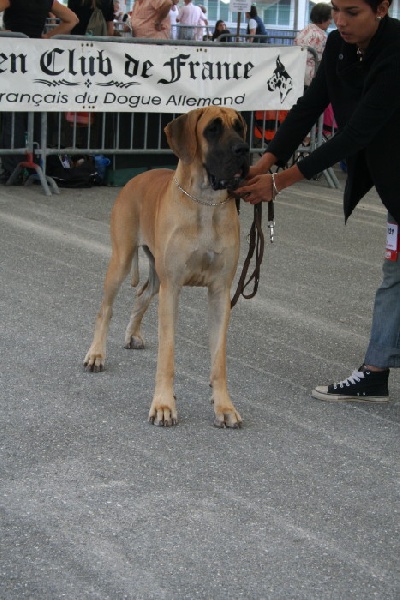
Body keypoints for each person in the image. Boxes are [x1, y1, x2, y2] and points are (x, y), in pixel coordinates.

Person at [236, 0, 400, 403]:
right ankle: (375, 373)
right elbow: (310, 106)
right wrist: (269, 160)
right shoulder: (337, 44)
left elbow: (355, 132)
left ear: (382, 8)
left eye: (352, 12)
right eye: (336, 9)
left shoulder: (397, 51)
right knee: (394, 274)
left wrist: (280, 183)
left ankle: (375, 369)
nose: (340, 21)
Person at [0, 0, 79, 180]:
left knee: (13, 111)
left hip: (14, 56)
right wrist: (47, 37)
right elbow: (72, 19)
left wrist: (4, 33)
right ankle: (35, 162)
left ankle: (12, 167)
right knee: (35, 111)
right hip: (37, 56)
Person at [294, 3, 332, 87]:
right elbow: (323, 60)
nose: (330, 22)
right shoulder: (321, 36)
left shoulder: (305, 30)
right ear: (323, 18)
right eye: (329, 18)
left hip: (297, 72)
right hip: (311, 77)